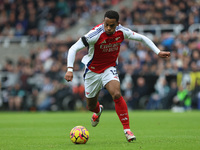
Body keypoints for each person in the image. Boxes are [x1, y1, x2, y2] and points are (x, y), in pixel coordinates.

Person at [64, 10, 170, 142]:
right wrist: (69, 69)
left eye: (111, 25)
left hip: (109, 68)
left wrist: (158, 52)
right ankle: (98, 111)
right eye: (106, 24)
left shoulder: (122, 31)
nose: (108, 28)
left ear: (117, 24)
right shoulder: (94, 34)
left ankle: (127, 130)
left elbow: (141, 38)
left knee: (117, 94)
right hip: (92, 71)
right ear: (103, 22)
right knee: (91, 106)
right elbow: (73, 48)